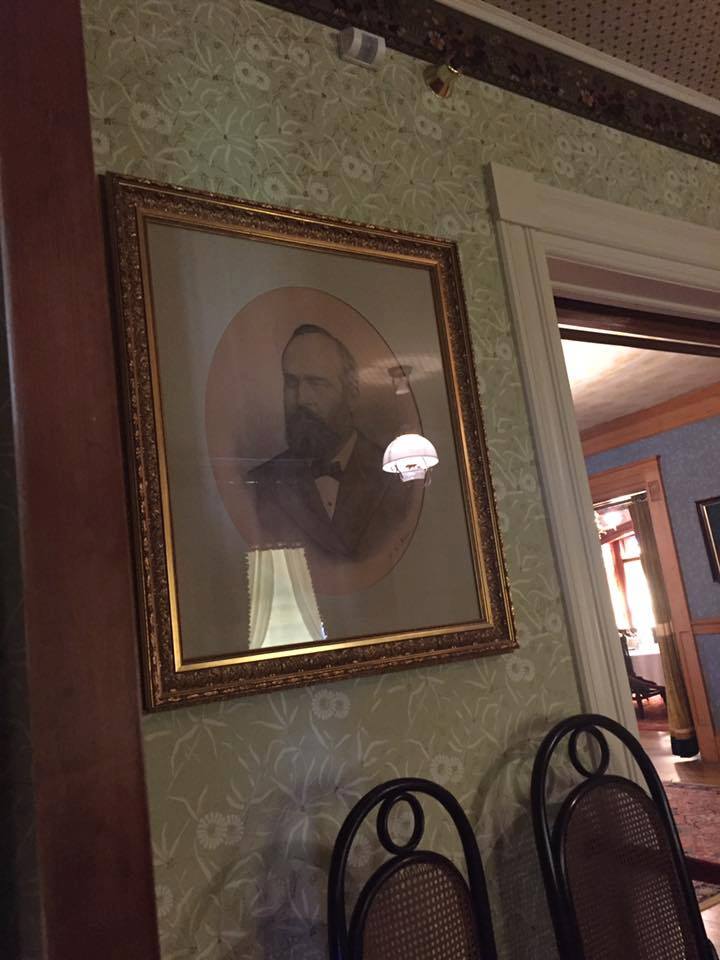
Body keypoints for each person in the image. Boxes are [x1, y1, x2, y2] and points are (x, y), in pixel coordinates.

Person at [247, 323, 410, 562]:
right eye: (291, 383)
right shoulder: (258, 485)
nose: (302, 399)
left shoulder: (397, 473)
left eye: (316, 383)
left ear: (351, 394)